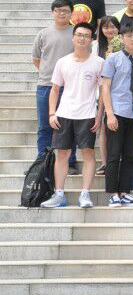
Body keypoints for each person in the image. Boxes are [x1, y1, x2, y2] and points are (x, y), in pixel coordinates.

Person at [42, 23, 102, 208]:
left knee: (88, 153)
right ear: (73, 37)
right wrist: (52, 113)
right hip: (64, 114)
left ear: (91, 40)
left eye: (86, 35)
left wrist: (99, 116)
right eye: (79, 35)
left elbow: (104, 92)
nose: (82, 38)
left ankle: (85, 194)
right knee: (62, 154)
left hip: (88, 114)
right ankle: (59, 194)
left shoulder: (99, 62)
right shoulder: (63, 61)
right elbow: (54, 89)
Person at [98, 22, 133, 206]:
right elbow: (105, 87)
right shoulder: (113, 59)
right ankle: (113, 193)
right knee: (113, 154)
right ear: (122, 38)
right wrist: (109, 114)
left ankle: (125, 192)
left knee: (129, 155)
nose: (132, 39)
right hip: (117, 112)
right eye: (129, 35)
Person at [33, 0, 76, 157]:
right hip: (46, 85)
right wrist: (50, 74)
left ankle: (70, 161)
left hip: (70, 86)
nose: (62, 14)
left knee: (69, 125)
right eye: (58, 10)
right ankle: (42, 161)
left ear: (71, 13)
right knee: (44, 126)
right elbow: (36, 59)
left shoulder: (77, 33)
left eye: (65, 11)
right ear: (52, 13)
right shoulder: (43, 34)